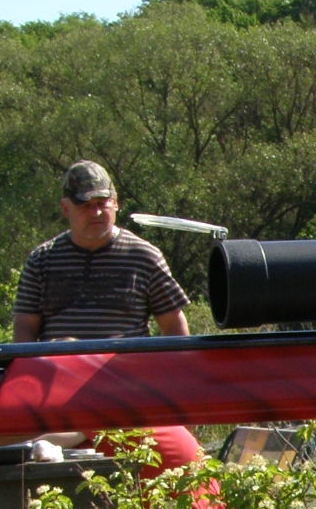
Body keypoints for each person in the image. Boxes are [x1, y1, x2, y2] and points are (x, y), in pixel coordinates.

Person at [11, 160, 203, 476]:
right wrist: (30, 380)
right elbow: (25, 329)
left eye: (103, 203)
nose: (97, 212)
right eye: (86, 205)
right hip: (60, 386)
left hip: (127, 387)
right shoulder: (42, 259)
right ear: (66, 208)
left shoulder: (143, 255)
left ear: (116, 203)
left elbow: (173, 326)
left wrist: (176, 394)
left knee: (179, 462)